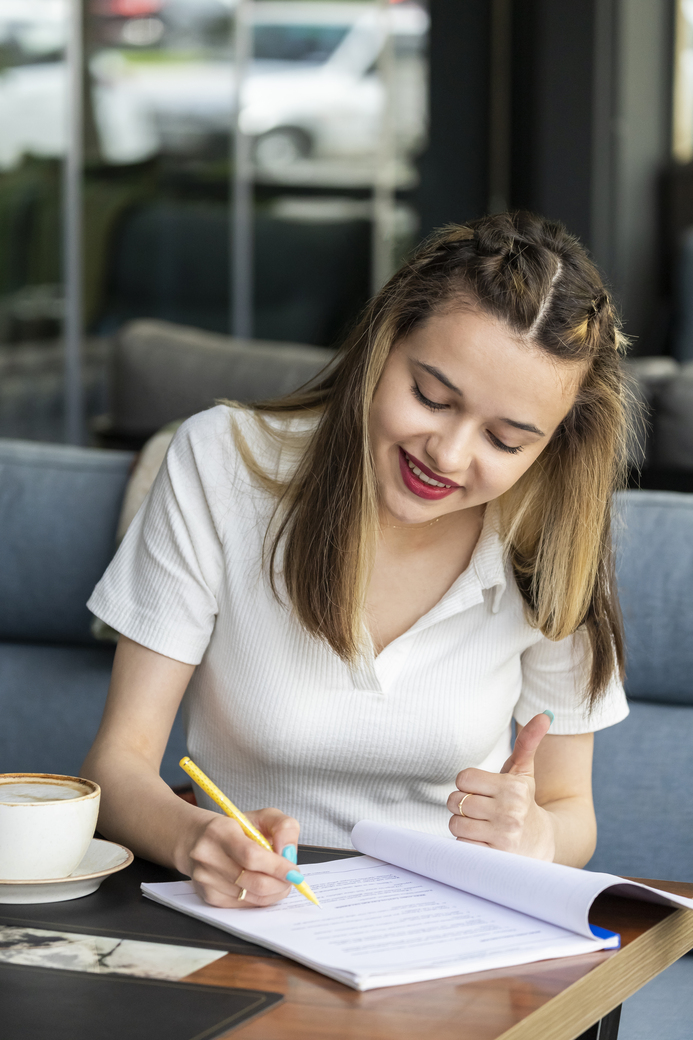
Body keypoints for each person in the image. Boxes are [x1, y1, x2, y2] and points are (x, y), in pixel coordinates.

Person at [83, 211, 632, 910]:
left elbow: (568, 807)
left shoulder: (552, 536)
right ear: (383, 341)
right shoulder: (221, 464)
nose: (449, 455)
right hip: (257, 917)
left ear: (551, 444)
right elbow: (116, 767)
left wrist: (537, 839)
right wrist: (198, 839)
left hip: (454, 927)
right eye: (431, 397)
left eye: (506, 441)